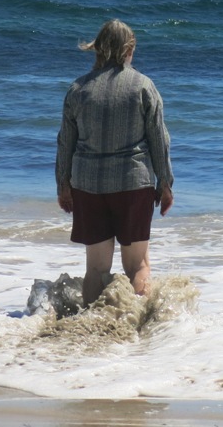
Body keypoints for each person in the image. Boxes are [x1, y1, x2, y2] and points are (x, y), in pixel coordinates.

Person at [55, 19, 174, 306]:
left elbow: (65, 142)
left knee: (96, 268)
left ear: (97, 49)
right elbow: (159, 140)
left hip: (88, 185)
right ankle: (134, 327)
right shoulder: (144, 86)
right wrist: (166, 184)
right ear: (129, 49)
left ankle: (93, 325)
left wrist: (63, 184)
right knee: (137, 266)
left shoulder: (78, 89)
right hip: (132, 185)